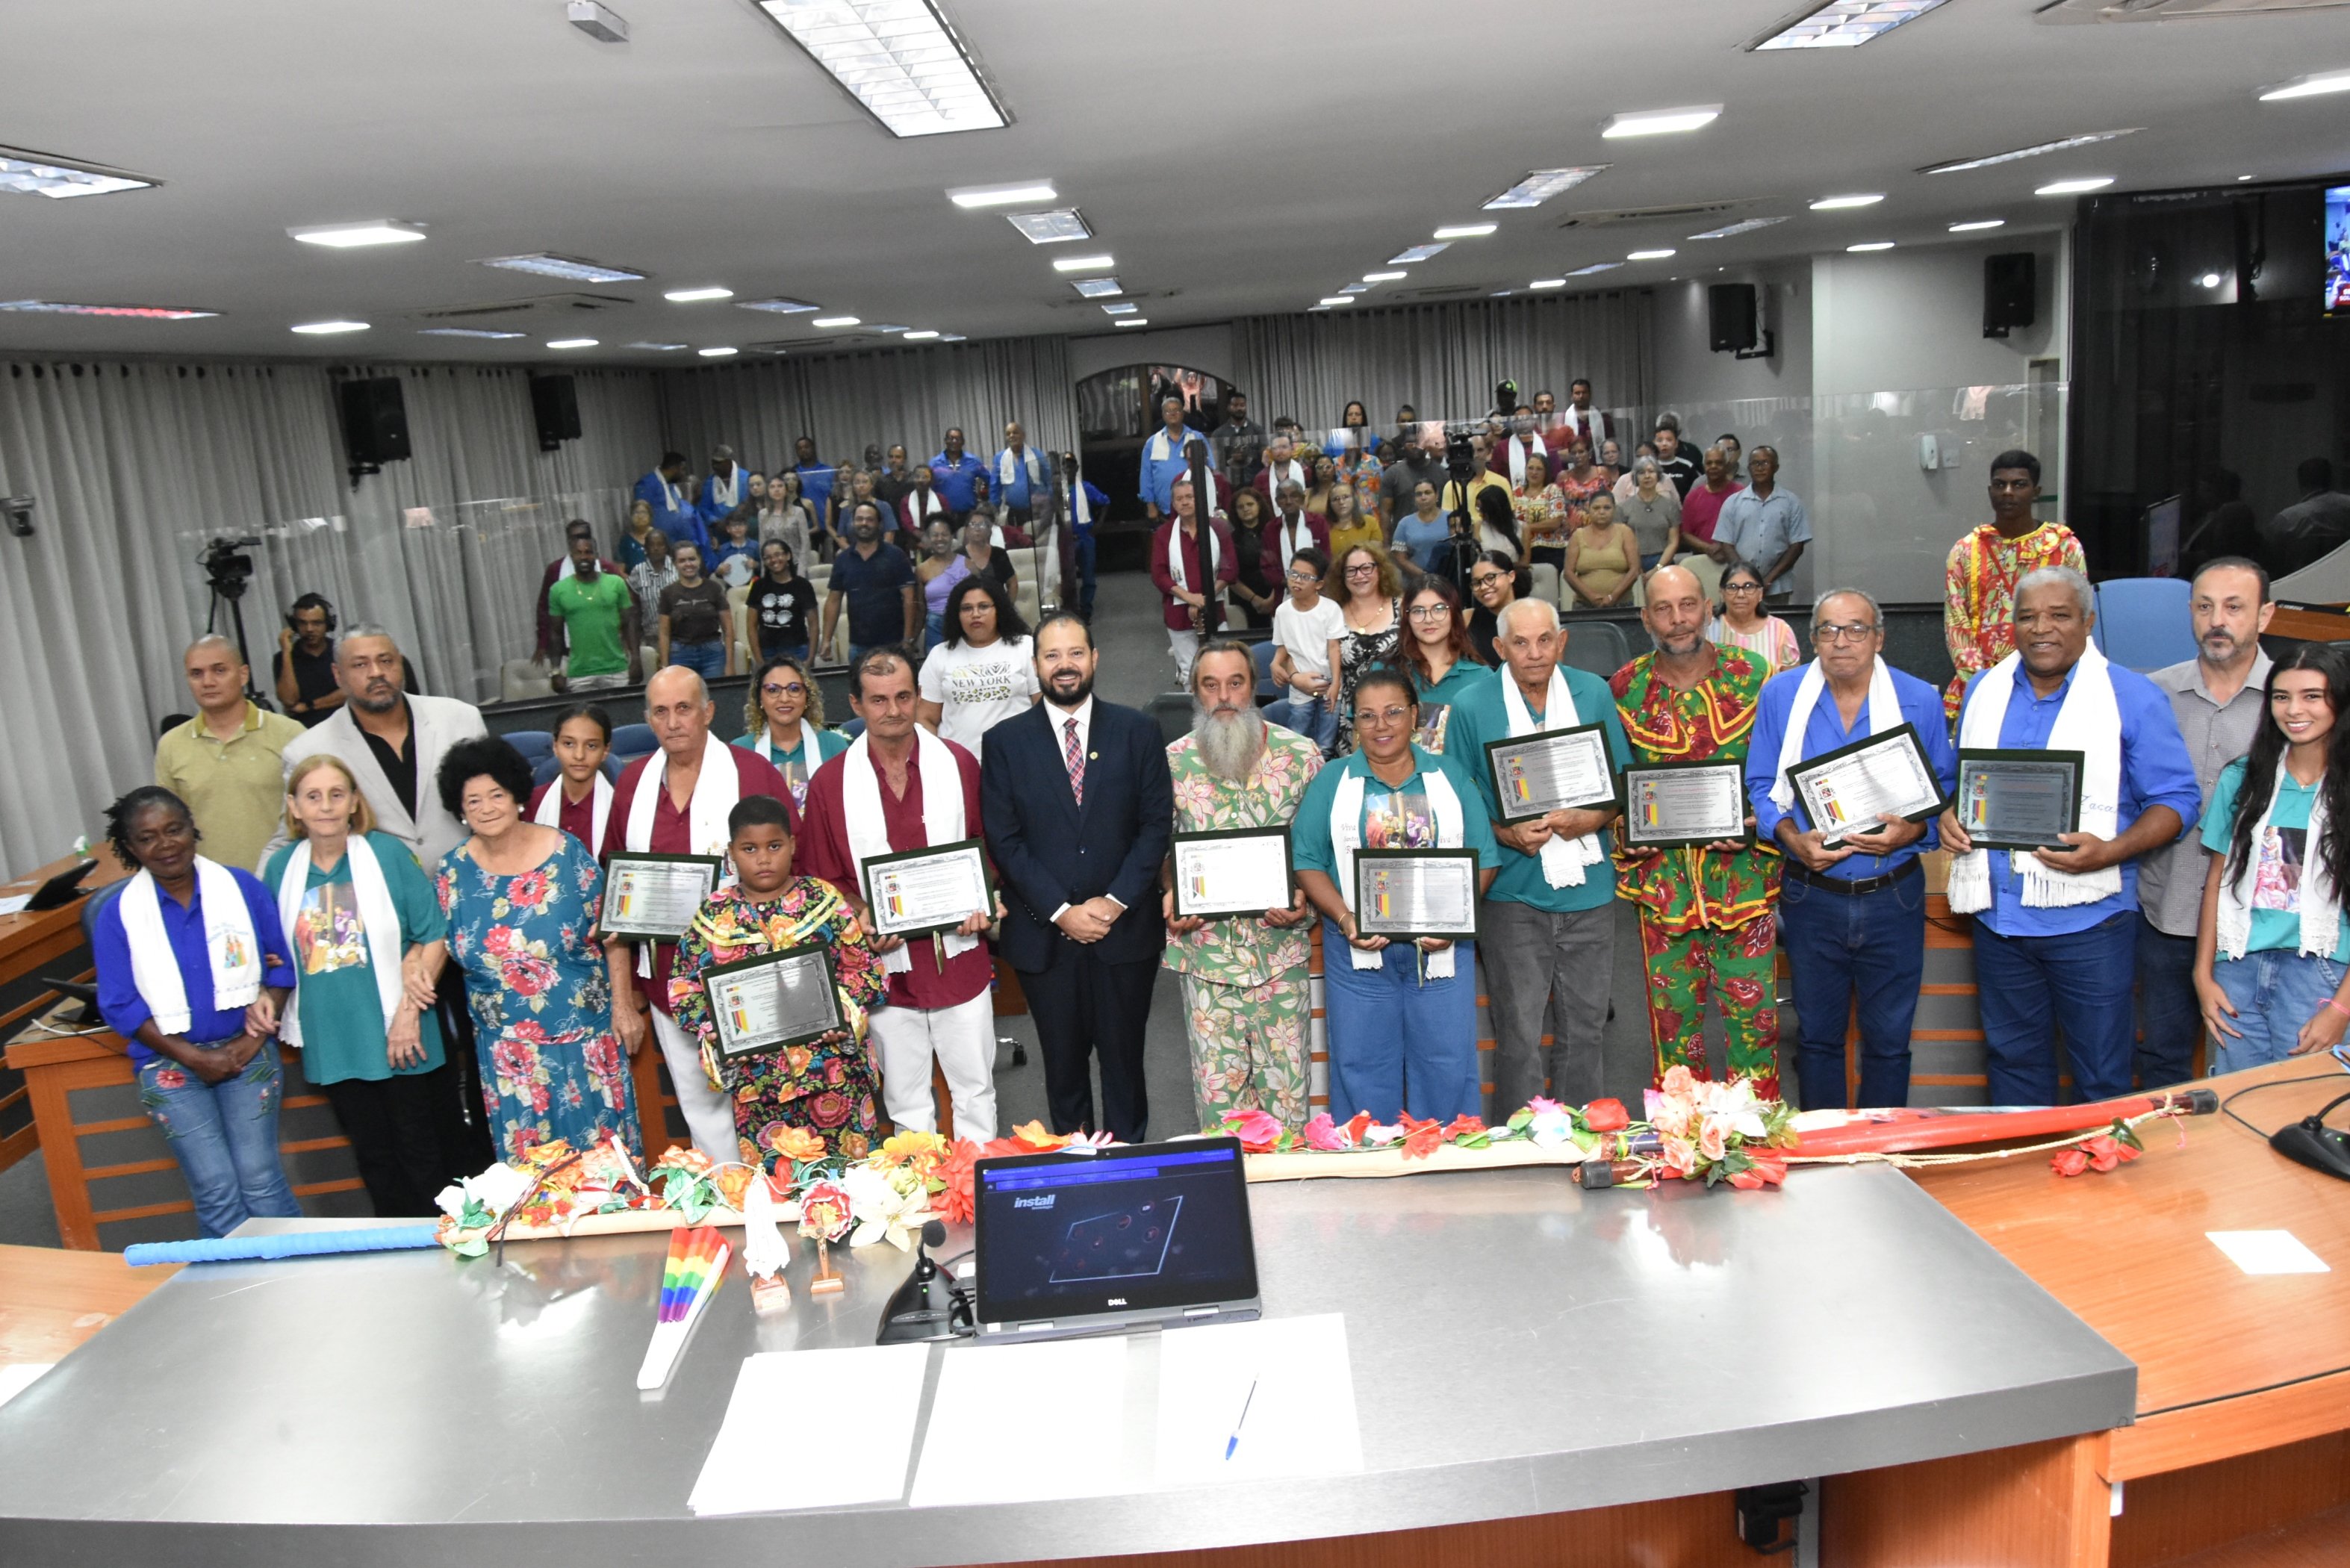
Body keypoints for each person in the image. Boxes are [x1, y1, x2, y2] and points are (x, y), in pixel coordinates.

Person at [1940, 567, 2201, 1105]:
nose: (2042, 628)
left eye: (2059, 615)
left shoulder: (2131, 696)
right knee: (2012, 1067)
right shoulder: (1984, 690)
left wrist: (2111, 852)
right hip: (1998, 920)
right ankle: (2025, 1160)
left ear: (2087, 622)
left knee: (2101, 1075)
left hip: (2092, 923)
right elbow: (1960, 783)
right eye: (2028, 617)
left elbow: (2177, 801)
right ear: (2012, 626)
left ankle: (2099, 1161)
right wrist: (1948, 814)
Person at [1747, 589, 1959, 1111]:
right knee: (1817, 1039)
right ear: (1812, 638)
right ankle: (1824, 1151)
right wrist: (1789, 836)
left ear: (1879, 638)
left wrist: (1913, 830)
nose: (1841, 641)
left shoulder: (1918, 699)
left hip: (1893, 895)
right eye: (1828, 629)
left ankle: (1884, 1149)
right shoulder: (1781, 696)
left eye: (1855, 629)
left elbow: (1942, 789)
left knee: (1888, 1043)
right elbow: (1760, 784)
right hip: (1810, 894)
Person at [980, 614, 1173, 1141]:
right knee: (1062, 1068)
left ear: (1094, 658)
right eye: (1052, 655)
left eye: (1075, 653)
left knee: (1125, 1063)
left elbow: (1155, 826)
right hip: (1045, 937)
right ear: (1035, 665)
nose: (1064, 665)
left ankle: (1129, 1165)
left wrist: (1114, 902)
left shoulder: (1138, 731)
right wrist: (1062, 911)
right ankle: (1076, 1169)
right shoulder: (1004, 742)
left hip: (1123, 931)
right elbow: (1005, 840)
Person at [795, 650, 1000, 1140]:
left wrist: (985, 899)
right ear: (856, 704)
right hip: (884, 970)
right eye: (879, 700)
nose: (893, 710)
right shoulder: (830, 784)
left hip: (959, 957)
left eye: (904, 697)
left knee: (976, 1092)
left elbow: (989, 851)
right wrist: (861, 916)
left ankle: (977, 1187)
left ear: (918, 697)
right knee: (907, 1104)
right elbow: (821, 880)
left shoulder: (958, 763)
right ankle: (918, 1190)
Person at [91, 786, 301, 1237]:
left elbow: (282, 968)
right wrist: (194, 1058)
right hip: (169, 1065)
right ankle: (230, 1284)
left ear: (193, 829)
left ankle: (301, 1274)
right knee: (216, 1188)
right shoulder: (117, 913)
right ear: (130, 847)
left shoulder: (242, 888)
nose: (165, 845)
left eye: (174, 830)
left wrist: (250, 1043)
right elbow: (120, 1005)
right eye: (147, 838)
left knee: (261, 1180)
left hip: (249, 1053)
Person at [603, 668, 796, 1157]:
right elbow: (616, 892)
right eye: (661, 712)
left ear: (708, 711)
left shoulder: (752, 773)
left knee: (772, 1104)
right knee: (701, 1107)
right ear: (648, 719)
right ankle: (729, 1198)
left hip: (753, 974)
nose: (673, 722)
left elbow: (796, 869)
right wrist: (623, 995)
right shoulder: (633, 784)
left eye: (684, 708)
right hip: (669, 981)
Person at [1294, 666, 1499, 1124]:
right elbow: (1306, 859)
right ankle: (1368, 1161)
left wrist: (1453, 922)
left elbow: (1485, 857)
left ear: (1414, 715)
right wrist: (1346, 918)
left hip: (1441, 951)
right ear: (1354, 722)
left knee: (1447, 1065)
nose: (1380, 725)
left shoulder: (1450, 776)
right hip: (1358, 953)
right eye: (1367, 716)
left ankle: (1444, 1159)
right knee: (1361, 1067)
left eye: (1392, 712)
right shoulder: (1332, 781)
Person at [1446, 599, 1627, 1108]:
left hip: (1589, 890)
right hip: (1512, 893)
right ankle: (1521, 1143)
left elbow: (1620, 783)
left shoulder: (1593, 692)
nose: (1534, 653)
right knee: (1519, 1035)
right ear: (1499, 647)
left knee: (1586, 1030)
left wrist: (1591, 819)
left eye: (1544, 640)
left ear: (1561, 642)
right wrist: (1504, 834)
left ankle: (1581, 1136)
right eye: (1520, 643)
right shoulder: (1470, 705)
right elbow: (1457, 800)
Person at [1612, 565, 1782, 1096]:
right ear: (1645, 618)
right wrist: (1625, 827)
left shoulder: (1757, 677)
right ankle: (1683, 1138)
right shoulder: (1623, 689)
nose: (1678, 619)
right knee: (1673, 1036)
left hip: (1743, 881)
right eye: (1663, 609)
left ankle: (1757, 1137)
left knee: (1756, 1030)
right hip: (1663, 887)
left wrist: (1757, 823)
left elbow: (1784, 772)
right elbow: (1612, 785)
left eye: (1688, 605)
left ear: (1708, 609)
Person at [263, 756, 453, 1215]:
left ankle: (448, 1247)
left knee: (422, 1154)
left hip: (402, 1033)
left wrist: (407, 1016)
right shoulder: (281, 868)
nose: (326, 806)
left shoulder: (388, 854)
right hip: (334, 1039)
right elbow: (274, 954)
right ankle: (399, 1251)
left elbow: (434, 934)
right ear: (294, 807)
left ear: (354, 802)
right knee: (374, 1158)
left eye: (336, 794)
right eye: (313, 796)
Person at [435, 737, 640, 1163]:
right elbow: (438, 942)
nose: (487, 808)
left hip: (585, 1043)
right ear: (461, 810)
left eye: (496, 795)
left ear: (517, 797)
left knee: (605, 1169)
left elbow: (614, 933)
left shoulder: (565, 853)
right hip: (508, 1058)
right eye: (474, 800)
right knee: (532, 1180)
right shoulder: (452, 872)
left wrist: (623, 1007)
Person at [666, 797, 890, 1166]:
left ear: (792, 844)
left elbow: (868, 972)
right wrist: (722, 1032)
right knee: (775, 1187)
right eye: (749, 849)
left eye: (774, 846)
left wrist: (841, 1012)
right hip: (760, 1084)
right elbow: (684, 993)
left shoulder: (823, 901)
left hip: (833, 1072)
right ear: (731, 853)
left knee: (851, 1179)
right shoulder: (714, 917)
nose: (763, 859)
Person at [1161, 642, 1325, 1131]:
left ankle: (1290, 1185)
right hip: (1206, 959)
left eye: (1235, 683)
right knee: (1220, 1117)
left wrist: (1303, 901)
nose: (1224, 696)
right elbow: (1158, 850)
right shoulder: (1172, 763)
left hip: (1280, 956)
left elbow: (1319, 853)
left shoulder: (1301, 757)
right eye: (1210, 685)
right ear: (1195, 692)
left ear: (1253, 687)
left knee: (1287, 1110)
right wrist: (1170, 891)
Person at [2137, 559, 2275, 1087]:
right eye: (2204, 606)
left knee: (2256, 1072)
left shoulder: (2295, 699)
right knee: (2161, 1062)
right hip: (2165, 912)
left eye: (2234, 607)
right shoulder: (2151, 694)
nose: (2217, 620)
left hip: (2259, 926)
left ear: (2265, 615)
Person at [2194, 646, 2350, 1072]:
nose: (2294, 710)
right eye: (2282, 697)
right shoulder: (2241, 778)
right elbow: (2217, 880)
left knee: (2307, 1104)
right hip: (2238, 970)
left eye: (2312, 696)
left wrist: (2342, 1008)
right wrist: (2203, 975)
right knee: (2236, 1102)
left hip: (2322, 975)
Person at [272, 626, 488, 868]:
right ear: (338, 675)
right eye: (360, 665)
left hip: (470, 875)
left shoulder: (460, 719)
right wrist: (254, 889)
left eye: (386, 661)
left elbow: (499, 802)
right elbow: (289, 837)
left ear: (401, 664)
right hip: (379, 885)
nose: (376, 673)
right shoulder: (309, 749)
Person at [1943, 449, 2088, 722]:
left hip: (2052, 683)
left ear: (2036, 492)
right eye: (2000, 485)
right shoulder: (1966, 551)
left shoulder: (2064, 547)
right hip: (1982, 685)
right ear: (1990, 491)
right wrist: (1985, 682)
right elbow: (1956, 624)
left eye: (2019, 485)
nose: (2008, 492)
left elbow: (2076, 618)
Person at [155, 635, 307, 873]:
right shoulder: (171, 745)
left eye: (219, 670)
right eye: (196, 674)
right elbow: (169, 828)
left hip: (283, 877)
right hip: (211, 884)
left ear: (243, 675)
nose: (208, 682)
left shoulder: (289, 734)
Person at [918, 575, 1039, 760]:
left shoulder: (1026, 647)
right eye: (967, 608)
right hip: (959, 763)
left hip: (1018, 759)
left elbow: (1043, 709)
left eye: (983, 606)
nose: (975, 614)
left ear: (999, 609)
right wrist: (940, 758)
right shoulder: (939, 655)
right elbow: (925, 718)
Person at [1149, 475, 1239, 686]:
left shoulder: (1218, 528)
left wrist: (1204, 599)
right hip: (1178, 614)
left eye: (1189, 497)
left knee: (1223, 667)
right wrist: (1190, 598)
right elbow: (1159, 574)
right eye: (1179, 499)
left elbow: (1230, 570)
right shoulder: (1164, 534)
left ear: (1199, 499)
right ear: (1173, 504)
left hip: (1214, 608)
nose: (1185, 502)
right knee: (1190, 673)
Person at [742, 652, 848, 809]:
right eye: (773, 690)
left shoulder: (833, 745)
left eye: (794, 689)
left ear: (807, 697)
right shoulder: (741, 750)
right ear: (760, 699)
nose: (784, 698)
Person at [545, 523, 641, 694]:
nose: (584, 557)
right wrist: (555, 671)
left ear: (596, 555)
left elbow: (630, 624)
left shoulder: (616, 583)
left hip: (616, 670)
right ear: (572, 556)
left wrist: (636, 659)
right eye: (579, 553)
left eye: (588, 552)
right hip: (580, 674)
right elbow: (555, 634)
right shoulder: (558, 590)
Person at [1401, 577, 1493, 753]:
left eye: (1439, 609)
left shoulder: (1482, 677)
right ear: (1407, 617)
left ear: (1454, 613)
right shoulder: (1385, 672)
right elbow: (1362, 740)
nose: (1429, 619)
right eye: (1418, 611)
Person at [1708, 447, 1809, 606]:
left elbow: (1797, 546)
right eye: (1755, 463)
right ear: (1749, 468)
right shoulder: (1733, 502)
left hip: (1777, 586)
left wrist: (1769, 580)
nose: (1759, 468)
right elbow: (1726, 544)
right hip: (1740, 585)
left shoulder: (1791, 502)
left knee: (1776, 623)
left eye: (1765, 463)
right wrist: (1747, 577)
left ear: (1776, 467)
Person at [821, 501, 919, 663]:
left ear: (879, 524)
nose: (864, 523)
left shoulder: (896, 556)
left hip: (894, 644)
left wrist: (908, 639)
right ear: (852, 523)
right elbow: (833, 601)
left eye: (870, 519)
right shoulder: (843, 560)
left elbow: (910, 599)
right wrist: (826, 640)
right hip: (858, 645)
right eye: (859, 519)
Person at [1267, 547, 1343, 753]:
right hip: (1300, 685)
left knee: (1326, 744)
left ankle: (1323, 772)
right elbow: (1283, 647)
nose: (1297, 581)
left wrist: (1336, 683)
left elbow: (1334, 648)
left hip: (1329, 684)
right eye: (1293, 574)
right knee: (1297, 739)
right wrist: (1276, 663)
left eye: (1306, 577)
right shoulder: (1283, 611)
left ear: (1319, 584)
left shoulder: (1330, 609)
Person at [1330, 544, 1405, 755]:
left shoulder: (1403, 607)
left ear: (1380, 569)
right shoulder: (1331, 614)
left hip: (1396, 714)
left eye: (1366, 568)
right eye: (1351, 570)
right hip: (1348, 720)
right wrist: (1295, 674)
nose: (1359, 576)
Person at [527, 703, 616, 850]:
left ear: (606, 751)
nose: (579, 755)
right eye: (569, 744)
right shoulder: (532, 802)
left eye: (591, 746)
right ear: (555, 746)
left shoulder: (621, 807)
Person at [656, 541, 734, 681]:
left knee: (714, 692)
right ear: (675, 564)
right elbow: (664, 633)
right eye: (682, 561)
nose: (688, 564)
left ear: (699, 560)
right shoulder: (668, 593)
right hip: (680, 654)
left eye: (692, 559)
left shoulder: (714, 588)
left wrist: (730, 664)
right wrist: (665, 667)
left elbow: (728, 629)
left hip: (713, 654)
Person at [1708, 561, 1803, 672]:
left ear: (1760, 594)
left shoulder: (1780, 630)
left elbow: (1792, 680)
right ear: (1722, 594)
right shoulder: (1709, 629)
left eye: (1749, 587)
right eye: (1732, 587)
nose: (1741, 594)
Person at [2263, 457, 2350, 576]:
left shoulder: (2287, 519)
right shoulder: (2347, 506)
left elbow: (2270, 559)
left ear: (2300, 482)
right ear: (2331, 479)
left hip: (2301, 581)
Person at [273, 593, 345, 727]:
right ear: (294, 626)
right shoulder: (283, 657)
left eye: (316, 623)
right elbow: (289, 701)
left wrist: (309, 706)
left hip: (344, 724)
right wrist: (286, 653)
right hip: (306, 729)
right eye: (302, 623)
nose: (309, 629)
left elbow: (352, 690)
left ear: (328, 624)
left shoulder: (342, 650)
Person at [746, 538, 818, 665]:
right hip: (767, 651)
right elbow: (751, 626)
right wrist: (759, 661)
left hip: (798, 649)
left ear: (788, 556)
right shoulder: (758, 586)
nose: (774, 560)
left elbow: (814, 624)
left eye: (778, 555)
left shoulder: (803, 585)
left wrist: (811, 658)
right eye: (768, 557)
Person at [1140, 396, 1211, 523]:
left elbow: (1211, 469)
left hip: (1197, 508)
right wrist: (1150, 506)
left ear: (1183, 413)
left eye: (1176, 410)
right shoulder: (1152, 442)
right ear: (1163, 415)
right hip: (1165, 511)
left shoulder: (1197, 438)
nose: (1172, 414)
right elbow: (1146, 477)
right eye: (1168, 411)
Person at [1561, 493, 1638, 611]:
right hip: (1584, 605)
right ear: (1589, 509)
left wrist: (1613, 597)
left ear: (1614, 509)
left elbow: (1634, 571)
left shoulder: (1625, 532)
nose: (1602, 512)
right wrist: (1592, 597)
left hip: (1622, 605)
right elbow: (1568, 573)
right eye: (1596, 508)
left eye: (1607, 508)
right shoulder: (1578, 536)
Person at [1057, 450, 1108, 621]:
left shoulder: (1086, 488)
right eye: (1065, 466)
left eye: (1071, 466)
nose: (1068, 470)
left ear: (1077, 468)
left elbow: (1105, 502)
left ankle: (1086, 610)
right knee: (1067, 577)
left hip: (1085, 537)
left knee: (1088, 576)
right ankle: (1071, 610)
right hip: (1067, 539)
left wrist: (1099, 524)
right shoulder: (1059, 490)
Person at [1225, 488, 1282, 629]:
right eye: (1240, 507)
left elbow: (1283, 566)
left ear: (1259, 505)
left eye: (1250, 504)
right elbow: (1230, 576)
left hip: (1276, 595)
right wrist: (1254, 599)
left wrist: (1272, 598)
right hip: (1244, 601)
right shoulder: (1230, 539)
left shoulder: (1276, 532)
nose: (1246, 509)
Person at [1620, 457, 1685, 575]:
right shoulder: (1624, 507)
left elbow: (1673, 542)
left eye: (1651, 471)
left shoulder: (1670, 506)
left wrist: (1657, 569)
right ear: (1635, 478)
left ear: (1658, 475)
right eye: (1641, 473)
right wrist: (1636, 568)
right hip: (1633, 564)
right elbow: (1621, 543)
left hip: (1663, 563)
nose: (1647, 476)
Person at [1259, 479, 1330, 587]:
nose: (1288, 501)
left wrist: (1309, 583)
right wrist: (1290, 583)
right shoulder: (1271, 529)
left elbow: (1326, 558)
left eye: (1294, 496)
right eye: (1283, 497)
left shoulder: (1318, 522)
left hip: (1316, 587)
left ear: (1302, 499)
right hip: (1284, 590)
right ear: (1277, 502)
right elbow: (1268, 567)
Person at [633, 451, 701, 556]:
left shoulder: (671, 486)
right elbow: (641, 513)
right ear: (674, 468)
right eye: (682, 469)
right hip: (661, 545)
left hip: (679, 543)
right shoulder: (647, 484)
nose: (684, 474)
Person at [915, 518, 969, 648]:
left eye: (944, 534)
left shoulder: (969, 564)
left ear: (952, 536)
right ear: (929, 538)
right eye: (935, 535)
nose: (940, 539)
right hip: (934, 627)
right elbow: (921, 608)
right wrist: (913, 638)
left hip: (964, 623)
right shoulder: (922, 569)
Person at [1381, 426, 1447, 529]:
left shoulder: (1443, 473)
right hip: (1404, 535)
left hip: (1438, 534)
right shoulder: (1392, 474)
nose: (1415, 446)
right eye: (1410, 442)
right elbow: (1386, 512)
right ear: (1403, 445)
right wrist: (1386, 538)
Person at [992, 422, 1051, 534]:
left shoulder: (1036, 454)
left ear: (1023, 435)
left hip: (1036, 512)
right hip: (1014, 513)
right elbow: (995, 486)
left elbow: (1049, 480)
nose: (1011, 436)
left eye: (1015, 432)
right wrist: (994, 509)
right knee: (1017, 541)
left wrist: (1050, 505)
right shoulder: (1000, 458)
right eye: (1008, 434)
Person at [1466, 550, 1520, 666]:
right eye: (1476, 583)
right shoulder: (1467, 618)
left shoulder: (1534, 616)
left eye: (1490, 578)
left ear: (1511, 576)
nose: (1483, 587)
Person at [1388, 479, 1452, 574]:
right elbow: (1400, 559)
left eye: (1428, 493)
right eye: (1419, 494)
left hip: (1449, 577)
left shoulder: (1451, 519)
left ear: (1437, 495)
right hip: (1416, 579)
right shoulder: (1404, 524)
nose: (1423, 497)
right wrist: (1425, 576)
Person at [627, 529, 679, 632]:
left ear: (666, 548)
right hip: (651, 632)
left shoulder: (677, 567)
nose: (656, 548)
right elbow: (634, 605)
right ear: (646, 548)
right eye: (652, 545)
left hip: (678, 633)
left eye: (660, 545)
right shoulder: (638, 571)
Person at [1209, 391, 1266, 483]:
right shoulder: (1218, 434)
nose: (1239, 408)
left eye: (1242, 405)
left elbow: (1265, 455)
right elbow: (1216, 462)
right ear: (1229, 407)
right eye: (1235, 405)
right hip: (1228, 482)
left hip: (1254, 482)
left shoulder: (1258, 430)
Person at [929, 427, 986, 516]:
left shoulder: (974, 461)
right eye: (951, 438)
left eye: (958, 439)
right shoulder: (934, 463)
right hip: (942, 515)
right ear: (945, 441)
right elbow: (928, 487)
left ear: (963, 442)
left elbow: (990, 480)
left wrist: (984, 497)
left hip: (969, 513)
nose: (954, 441)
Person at [1324, 481, 1381, 561]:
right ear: (1330, 504)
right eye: (1336, 499)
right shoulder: (1323, 527)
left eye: (1346, 497)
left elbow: (1376, 555)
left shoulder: (1370, 522)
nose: (1341, 502)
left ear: (1354, 499)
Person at [961, 514, 1016, 597]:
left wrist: (1007, 604)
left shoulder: (999, 554)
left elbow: (1013, 583)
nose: (977, 528)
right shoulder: (958, 556)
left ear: (989, 531)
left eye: (982, 525)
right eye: (973, 524)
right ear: (966, 531)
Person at [709, 508, 759, 591]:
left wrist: (756, 565)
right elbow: (716, 571)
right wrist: (720, 571)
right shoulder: (723, 549)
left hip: (752, 585)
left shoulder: (755, 546)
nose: (737, 528)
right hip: (730, 587)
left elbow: (762, 567)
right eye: (734, 526)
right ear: (728, 529)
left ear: (746, 527)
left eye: (741, 525)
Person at [1253, 432, 1311, 503]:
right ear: (1271, 451)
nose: (1280, 451)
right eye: (1276, 448)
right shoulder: (1261, 477)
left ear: (1292, 448)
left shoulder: (1306, 472)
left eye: (1284, 447)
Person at [1559, 379, 1612, 454]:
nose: (1581, 396)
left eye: (1584, 392)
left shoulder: (1603, 416)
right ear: (1572, 396)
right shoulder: (1563, 418)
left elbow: (1610, 443)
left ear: (1590, 394)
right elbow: (1561, 447)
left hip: (1597, 459)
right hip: (1574, 459)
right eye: (1577, 393)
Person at [900, 462, 950, 540]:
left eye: (925, 477)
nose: (920, 480)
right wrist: (922, 537)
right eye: (917, 477)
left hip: (938, 538)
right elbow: (907, 523)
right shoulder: (906, 501)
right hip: (913, 540)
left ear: (931, 480)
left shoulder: (941, 499)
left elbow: (946, 521)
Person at [1651, 426, 1700, 500]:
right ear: (1654, 443)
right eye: (1660, 440)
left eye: (1669, 440)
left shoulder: (1687, 466)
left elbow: (1697, 492)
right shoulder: (1649, 467)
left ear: (1676, 443)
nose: (1664, 444)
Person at [618, 497, 658, 571]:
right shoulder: (626, 541)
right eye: (636, 513)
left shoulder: (659, 537)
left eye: (643, 512)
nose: (640, 516)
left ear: (650, 516)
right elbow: (620, 569)